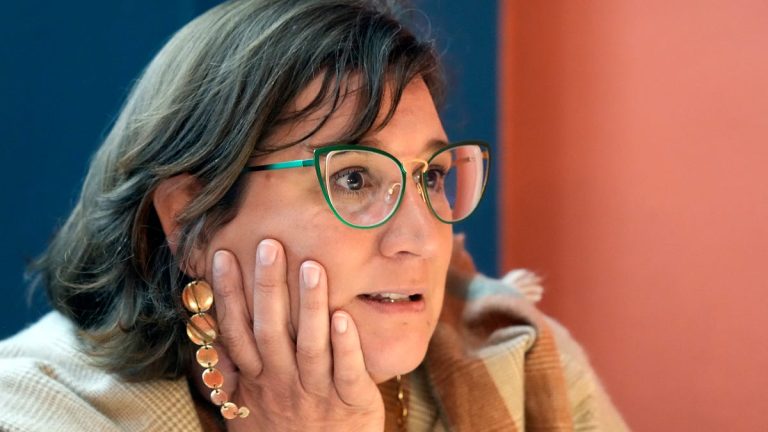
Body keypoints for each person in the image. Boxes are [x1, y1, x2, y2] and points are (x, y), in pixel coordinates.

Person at [0, 0, 628, 431]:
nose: (422, 239)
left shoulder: (519, 360)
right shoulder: (33, 410)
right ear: (190, 216)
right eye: (354, 178)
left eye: (432, 177)